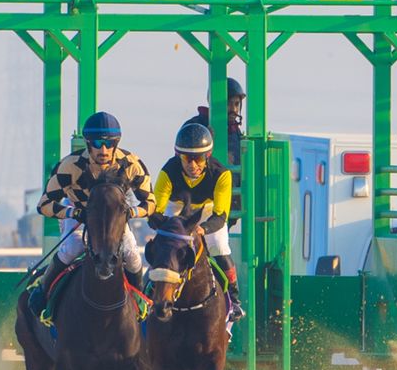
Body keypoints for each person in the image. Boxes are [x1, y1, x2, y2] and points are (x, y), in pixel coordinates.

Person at [27, 111, 155, 323]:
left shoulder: (131, 164)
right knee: (73, 247)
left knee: (131, 253)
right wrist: (74, 213)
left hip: (114, 216)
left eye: (109, 143)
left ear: (117, 143)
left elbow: (150, 203)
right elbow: (43, 205)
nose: (103, 150)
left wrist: (131, 212)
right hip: (79, 212)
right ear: (88, 143)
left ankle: (140, 303)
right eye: (97, 143)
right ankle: (44, 292)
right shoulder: (70, 165)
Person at [153, 121, 245, 321]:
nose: (192, 165)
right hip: (177, 207)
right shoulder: (168, 171)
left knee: (219, 246)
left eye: (198, 158)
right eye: (187, 158)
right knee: (164, 244)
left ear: (207, 156)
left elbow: (221, 216)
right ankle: (150, 289)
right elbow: (156, 211)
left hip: (208, 210)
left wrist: (202, 229)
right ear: (179, 156)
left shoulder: (222, 174)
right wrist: (168, 229)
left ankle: (234, 299)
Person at [187, 76, 246, 219]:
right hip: (201, 201)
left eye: (236, 104)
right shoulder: (197, 126)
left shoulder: (235, 131)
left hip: (230, 200)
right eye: (228, 103)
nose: (233, 109)